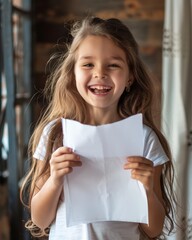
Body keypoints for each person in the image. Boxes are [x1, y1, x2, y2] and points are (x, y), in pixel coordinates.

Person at [20, 16, 176, 240]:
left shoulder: (144, 138)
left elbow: (153, 230)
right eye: (88, 64)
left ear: (130, 76)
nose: (100, 73)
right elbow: (40, 220)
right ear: (73, 73)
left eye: (113, 65)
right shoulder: (55, 134)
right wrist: (54, 180)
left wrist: (148, 190)